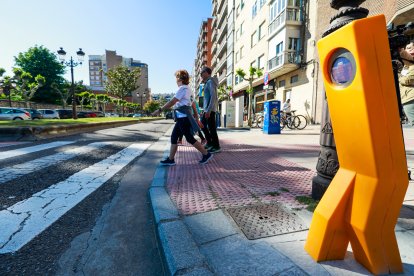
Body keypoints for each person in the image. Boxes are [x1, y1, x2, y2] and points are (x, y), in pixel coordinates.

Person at [151, 70, 213, 165]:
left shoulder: (182, 89)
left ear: (180, 79)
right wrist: (196, 118)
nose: (176, 80)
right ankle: (171, 159)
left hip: (183, 117)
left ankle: (206, 154)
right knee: (174, 137)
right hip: (183, 117)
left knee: (189, 138)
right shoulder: (189, 90)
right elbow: (192, 105)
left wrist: (159, 110)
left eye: (176, 78)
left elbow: (173, 101)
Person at [200, 66, 221, 153]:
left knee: (212, 128)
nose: (201, 74)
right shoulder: (207, 82)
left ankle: (216, 146)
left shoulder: (210, 82)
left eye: (202, 72)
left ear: (207, 73)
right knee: (202, 125)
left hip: (210, 110)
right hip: (207, 110)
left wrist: (208, 110)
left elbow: (213, 97)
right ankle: (210, 143)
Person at [399, 42, 414, 125]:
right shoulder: (407, 65)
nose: (405, 50)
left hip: (410, 99)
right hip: (407, 98)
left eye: (409, 48)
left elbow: (407, 80)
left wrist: (400, 79)